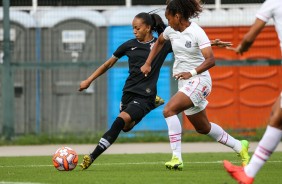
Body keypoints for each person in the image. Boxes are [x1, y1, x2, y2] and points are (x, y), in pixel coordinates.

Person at [140, 0, 250, 171]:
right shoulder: (171, 31)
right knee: (202, 127)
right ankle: (239, 146)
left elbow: (211, 60)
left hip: (200, 80)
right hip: (185, 82)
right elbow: (159, 42)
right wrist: (148, 63)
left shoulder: (197, 32)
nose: (168, 23)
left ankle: (176, 158)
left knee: (168, 110)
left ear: (177, 16)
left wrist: (190, 73)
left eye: (169, 19)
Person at [223, 0, 282, 183]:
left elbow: (249, 37)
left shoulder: (274, 2)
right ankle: (249, 172)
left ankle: (248, 173)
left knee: (278, 118)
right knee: (276, 114)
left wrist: (242, 47)